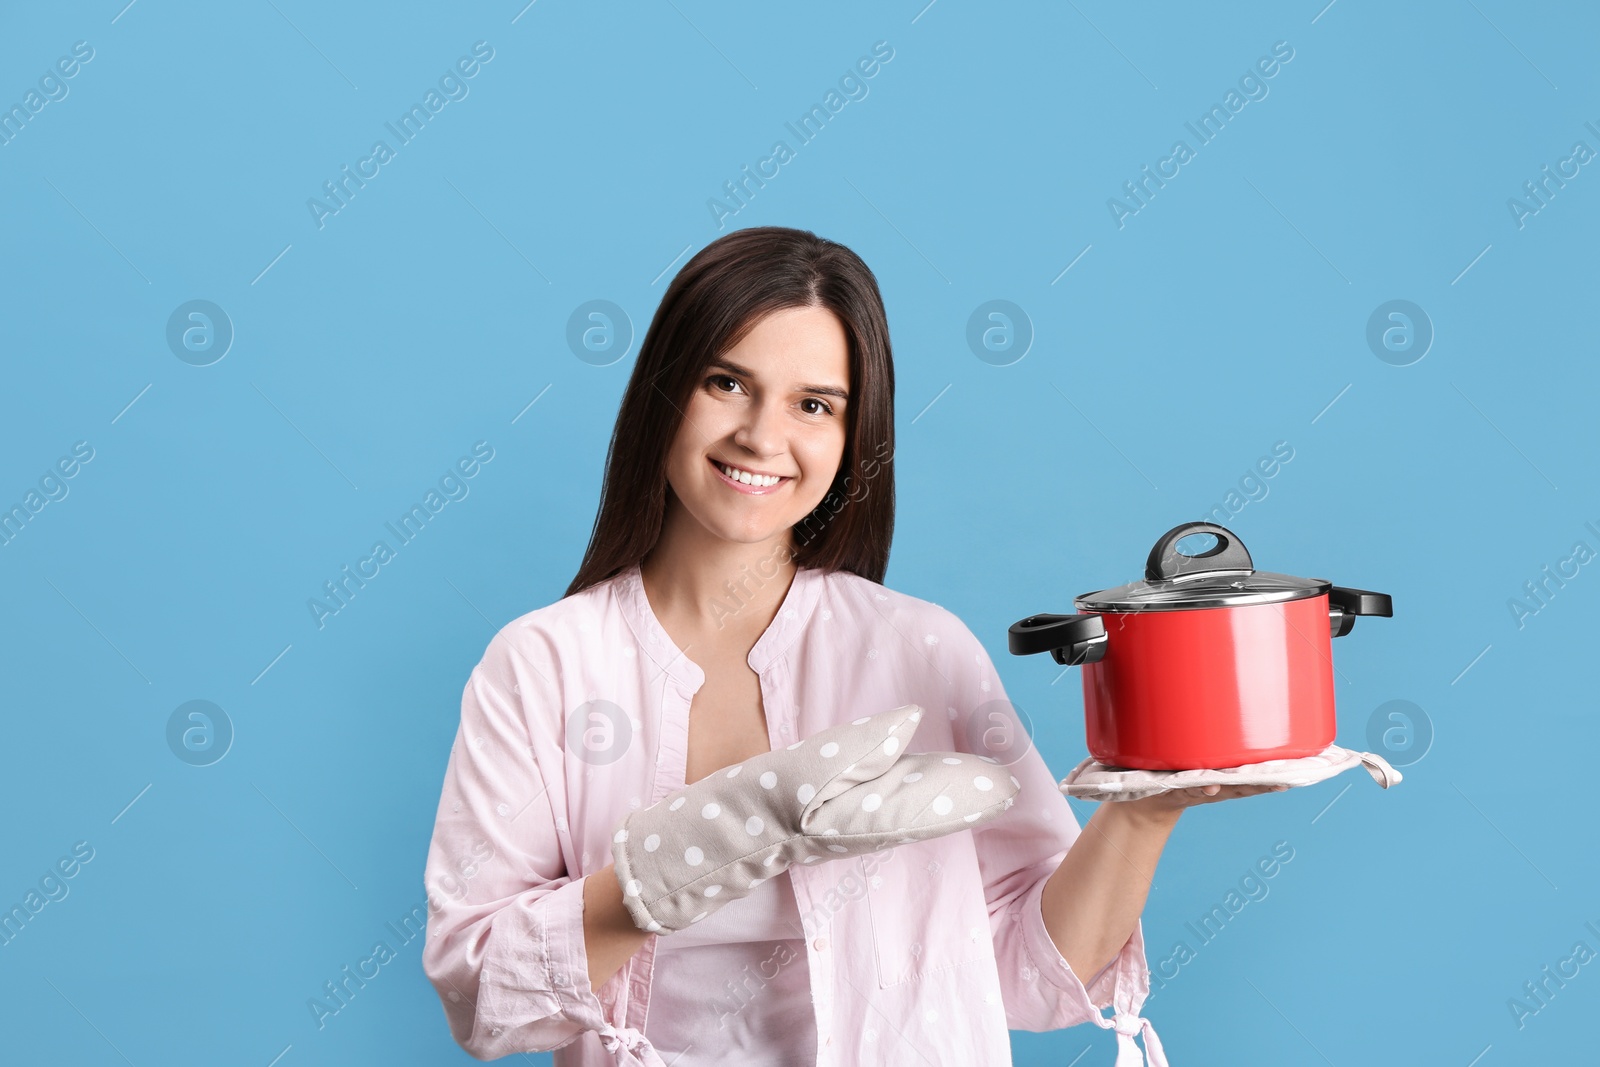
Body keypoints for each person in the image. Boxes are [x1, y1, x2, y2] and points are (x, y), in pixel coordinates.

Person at [420, 226, 1278, 1066]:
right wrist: (679, 862)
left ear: (853, 433)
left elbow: (1031, 971)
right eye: (726, 382)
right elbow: (481, 999)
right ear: (664, 391)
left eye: (814, 404)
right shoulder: (542, 666)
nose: (761, 436)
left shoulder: (919, 652)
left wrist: (1149, 806)